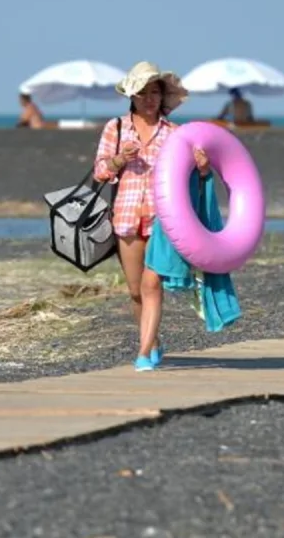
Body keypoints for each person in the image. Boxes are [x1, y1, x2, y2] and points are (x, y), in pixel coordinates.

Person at [93, 61, 209, 372]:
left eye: (155, 92)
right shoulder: (115, 128)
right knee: (134, 291)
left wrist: (201, 166)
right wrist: (119, 159)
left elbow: (192, 175)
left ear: (162, 97)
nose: (149, 98)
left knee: (152, 285)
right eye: (143, 92)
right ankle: (153, 341)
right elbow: (100, 172)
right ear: (132, 95)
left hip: (163, 219)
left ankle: (144, 352)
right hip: (127, 218)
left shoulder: (175, 133)